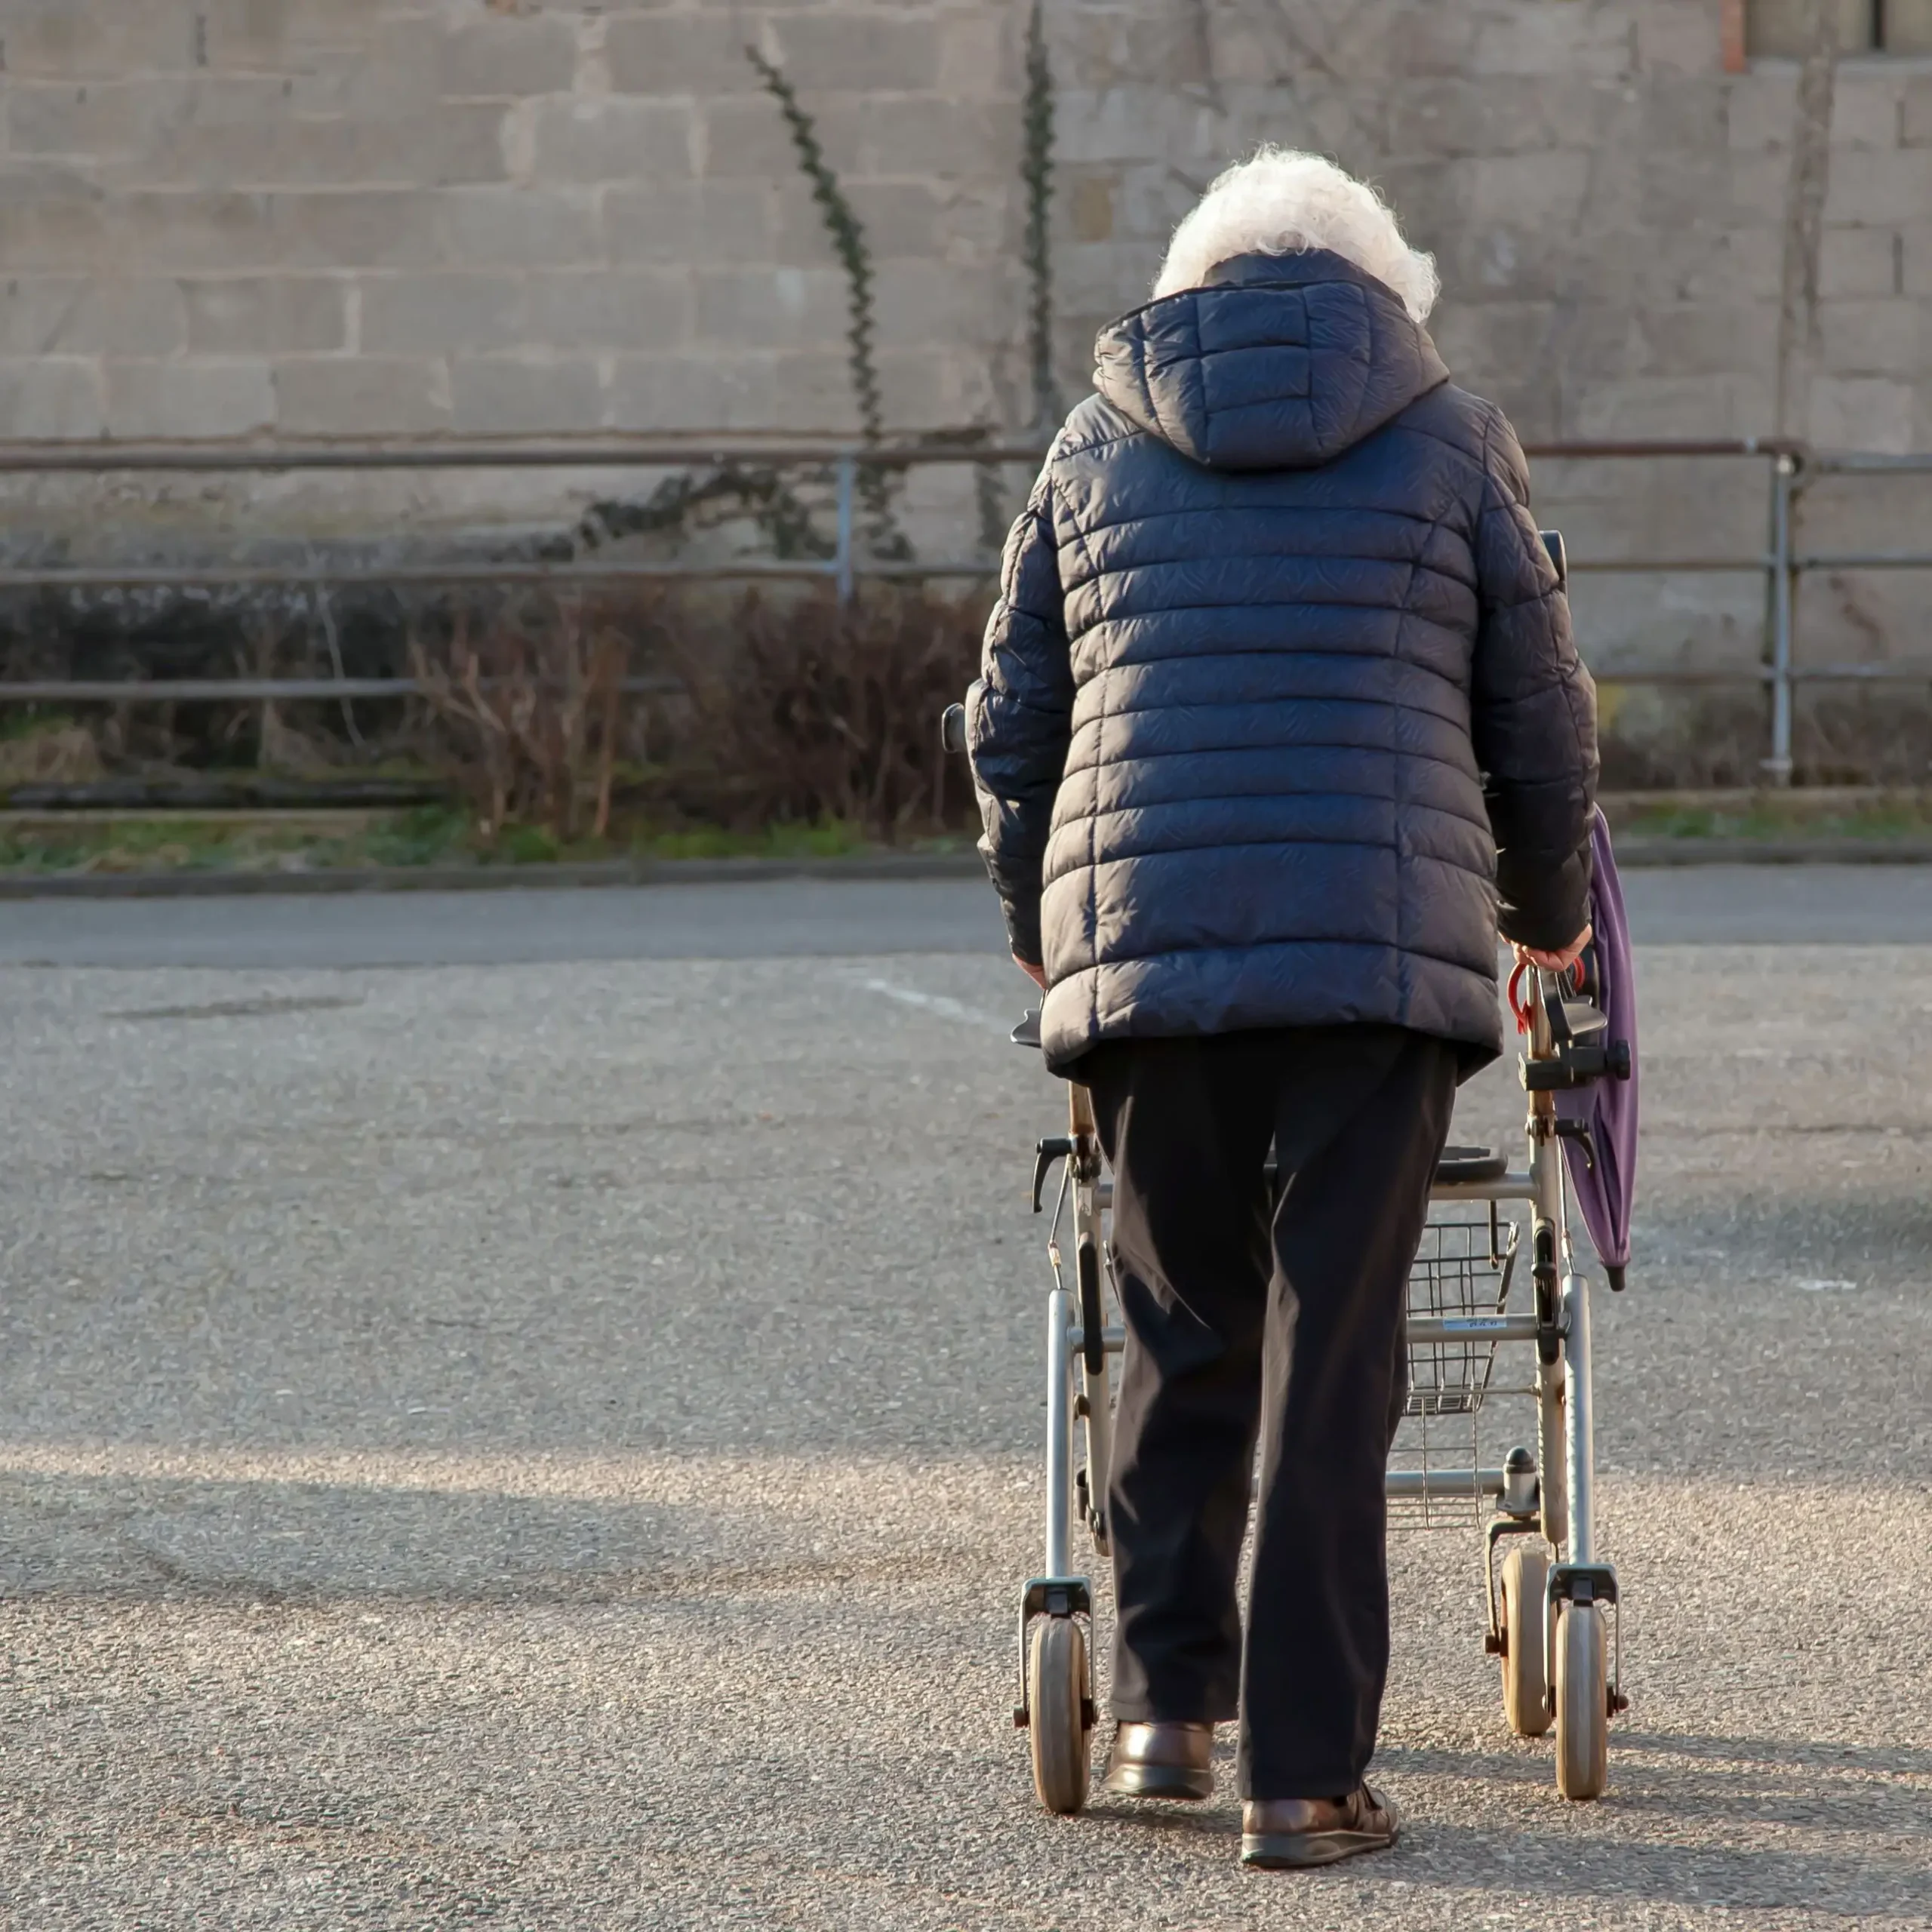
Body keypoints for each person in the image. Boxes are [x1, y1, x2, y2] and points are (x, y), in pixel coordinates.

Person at [965, 148, 1596, 1870]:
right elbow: (1538, 725)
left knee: (1173, 1320)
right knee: (1335, 1356)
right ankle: (1303, 1777)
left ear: (1193, 283)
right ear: (1378, 290)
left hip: (1150, 955)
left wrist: (1043, 919)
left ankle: (1169, 1709)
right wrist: (1543, 917)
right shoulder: (1451, 434)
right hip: (1377, 955)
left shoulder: (1094, 440)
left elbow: (1010, 714)